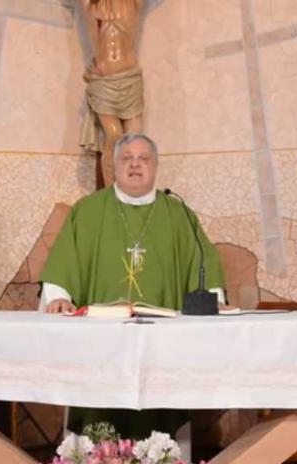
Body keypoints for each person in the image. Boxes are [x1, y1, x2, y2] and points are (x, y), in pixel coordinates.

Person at [39, 133, 229, 438]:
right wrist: (59, 296)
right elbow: (65, 259)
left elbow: (202, 260)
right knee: (98, 410)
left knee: (161, 408)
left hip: (163, 342)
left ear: (155, 166)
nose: (135, 165)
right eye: (127, 158)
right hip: (101, 341)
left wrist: (212, 300)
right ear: (114, 167)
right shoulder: (87, 210)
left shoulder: (178, 212)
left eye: (143, 159)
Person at [79, 0, 144, 186]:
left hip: (130, 80)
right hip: (104, 82)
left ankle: (130, 192)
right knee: (114, 136)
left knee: (134, 140)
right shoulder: (90, 4)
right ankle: (110, 194)